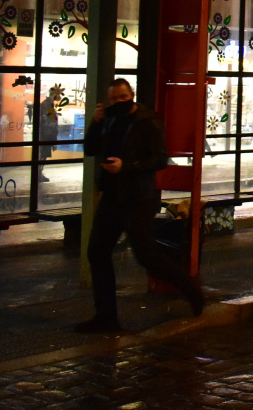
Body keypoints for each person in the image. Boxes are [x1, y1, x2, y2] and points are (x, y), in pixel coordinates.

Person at [77, 78, 203, 333]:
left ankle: (189, 287)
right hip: (113, 196)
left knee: (145, 255)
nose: (119, 103)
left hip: (138, 198)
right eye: (114, 99)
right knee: (97, 251)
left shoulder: (147, 121)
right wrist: (95, 122)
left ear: (131, 95)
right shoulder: (110, 120)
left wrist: (126, 166)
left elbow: (159, 158)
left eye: (123, 97)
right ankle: (106, 317)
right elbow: (90, 148)